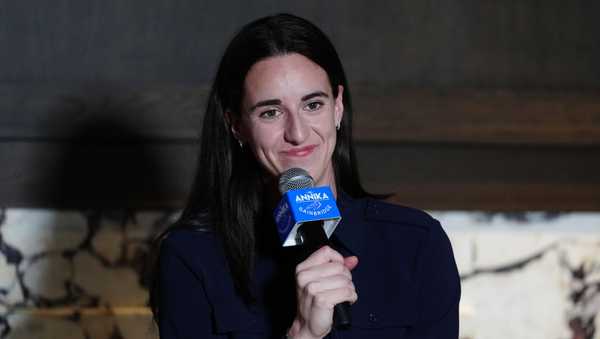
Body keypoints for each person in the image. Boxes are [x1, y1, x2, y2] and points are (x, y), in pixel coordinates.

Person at [150, 13, 460, 339]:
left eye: (313, 105)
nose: (297, 134)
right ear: (236, 125)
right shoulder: (192, 258)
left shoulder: (417, 244)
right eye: (270, 112)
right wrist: (303, 334)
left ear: (338, 107)